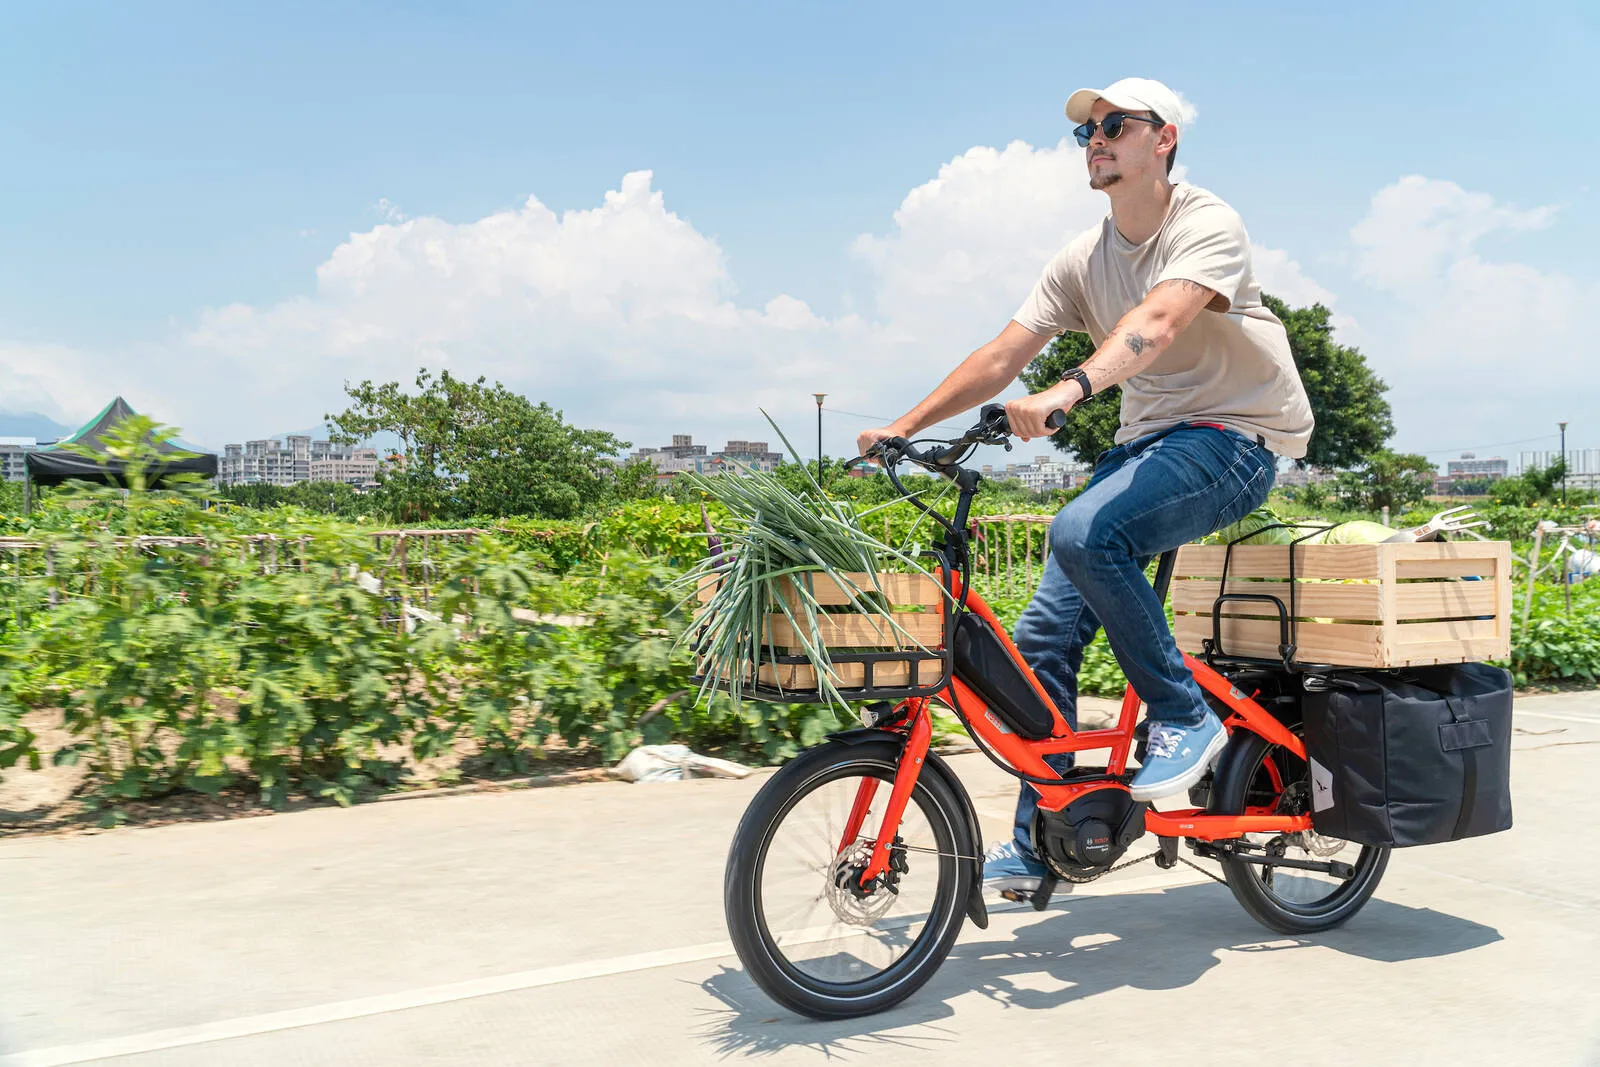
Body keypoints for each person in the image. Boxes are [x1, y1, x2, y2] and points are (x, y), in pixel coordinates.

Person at [855, 77, 1313, 895]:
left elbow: (1160, 321)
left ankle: (1184, 715)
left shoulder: (1204, 222)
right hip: (1145, 448)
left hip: (1233, 439)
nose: (1095, 139)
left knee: (1084, 532)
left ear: (1162, 138)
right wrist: (906, 424)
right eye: (1086, 132)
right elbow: (1003, 356)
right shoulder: (1082, 259)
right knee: (1038, 646)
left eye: (1114, 125)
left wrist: (1069, 391)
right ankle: (1046, 839)